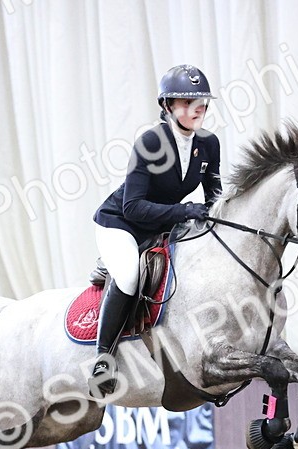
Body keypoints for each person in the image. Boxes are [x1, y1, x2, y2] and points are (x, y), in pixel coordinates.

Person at [90, 64, 222, 397]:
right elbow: (131, 206)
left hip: (163, 225)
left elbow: (215, 197)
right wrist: (184, 210)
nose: (196, 109)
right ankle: (103, 358)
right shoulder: (150, 141)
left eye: (201, 103)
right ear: (167, 106)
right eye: (185, 102)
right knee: (130, 276)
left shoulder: (209, 145)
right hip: (121, 225)